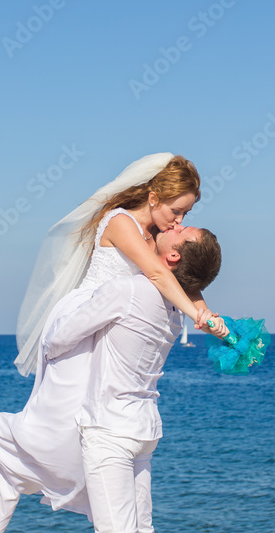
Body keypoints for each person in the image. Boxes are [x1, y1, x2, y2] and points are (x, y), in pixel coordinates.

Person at [0, 154, 228, 532]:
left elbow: (177, 276)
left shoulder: (158, 238)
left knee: (74, 436)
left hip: (110, 326)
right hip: (83, 319)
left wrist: (207, 315)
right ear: (154, 197)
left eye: (185, 215)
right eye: (177, 212)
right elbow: (155, 271)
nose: (179, 221)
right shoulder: (121, 222)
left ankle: (6, 457)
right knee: (55, 423)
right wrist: (195, 314)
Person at [44, 224, 223, 532]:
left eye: (182, 230)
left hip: (110, 428)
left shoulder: (128, 290)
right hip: (144, 429)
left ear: (173, 256)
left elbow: (57, 338)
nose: (174, 224)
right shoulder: (177, 310)